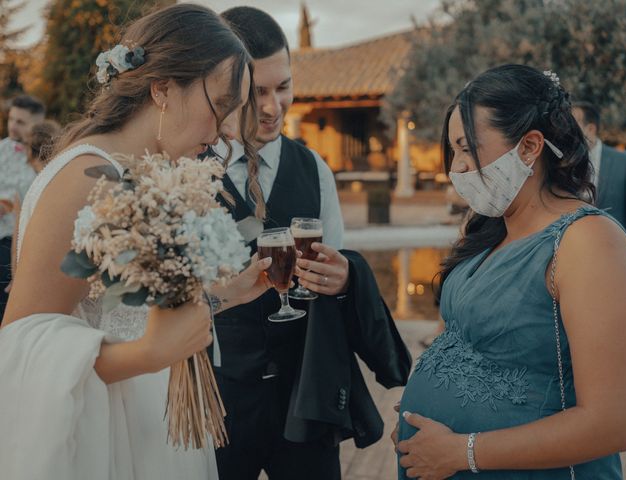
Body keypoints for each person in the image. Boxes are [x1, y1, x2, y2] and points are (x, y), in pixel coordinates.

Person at [0, 4, 276, 479]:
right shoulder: (84, 177)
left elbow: (125, 309)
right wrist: (149, 355)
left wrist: (227, 293)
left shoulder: (151, 172)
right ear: (163, 88)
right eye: (221, 106)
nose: (228, 131)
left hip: (155, 432)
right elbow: (21, 349)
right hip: (107, 441)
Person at [392, 65, 626, 479]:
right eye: (453, 151)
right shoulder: (488, 232)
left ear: (528, 148)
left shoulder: (588, 243)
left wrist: (462, 451)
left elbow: (612, 424)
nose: (457, 167)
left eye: (468, 148)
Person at [212, 7, 411, 480]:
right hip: (217, 402)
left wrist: (343, 278)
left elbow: (333, 268)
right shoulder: (189, 172)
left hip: (304, 397)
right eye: (257, 91)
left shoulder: (316, 170)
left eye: (283, 87)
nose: (272, 106)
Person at [572, 101, 626, 251]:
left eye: (573, 124)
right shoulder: (565, 163)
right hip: (576, 253)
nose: (568, 130)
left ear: (590, 129)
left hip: (618, 253)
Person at [0, 95, 44, 316]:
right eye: (11, 119)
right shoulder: (1, 150)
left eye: (21, 122)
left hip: (20, 245)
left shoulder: (41, 159)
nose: (13, 126)